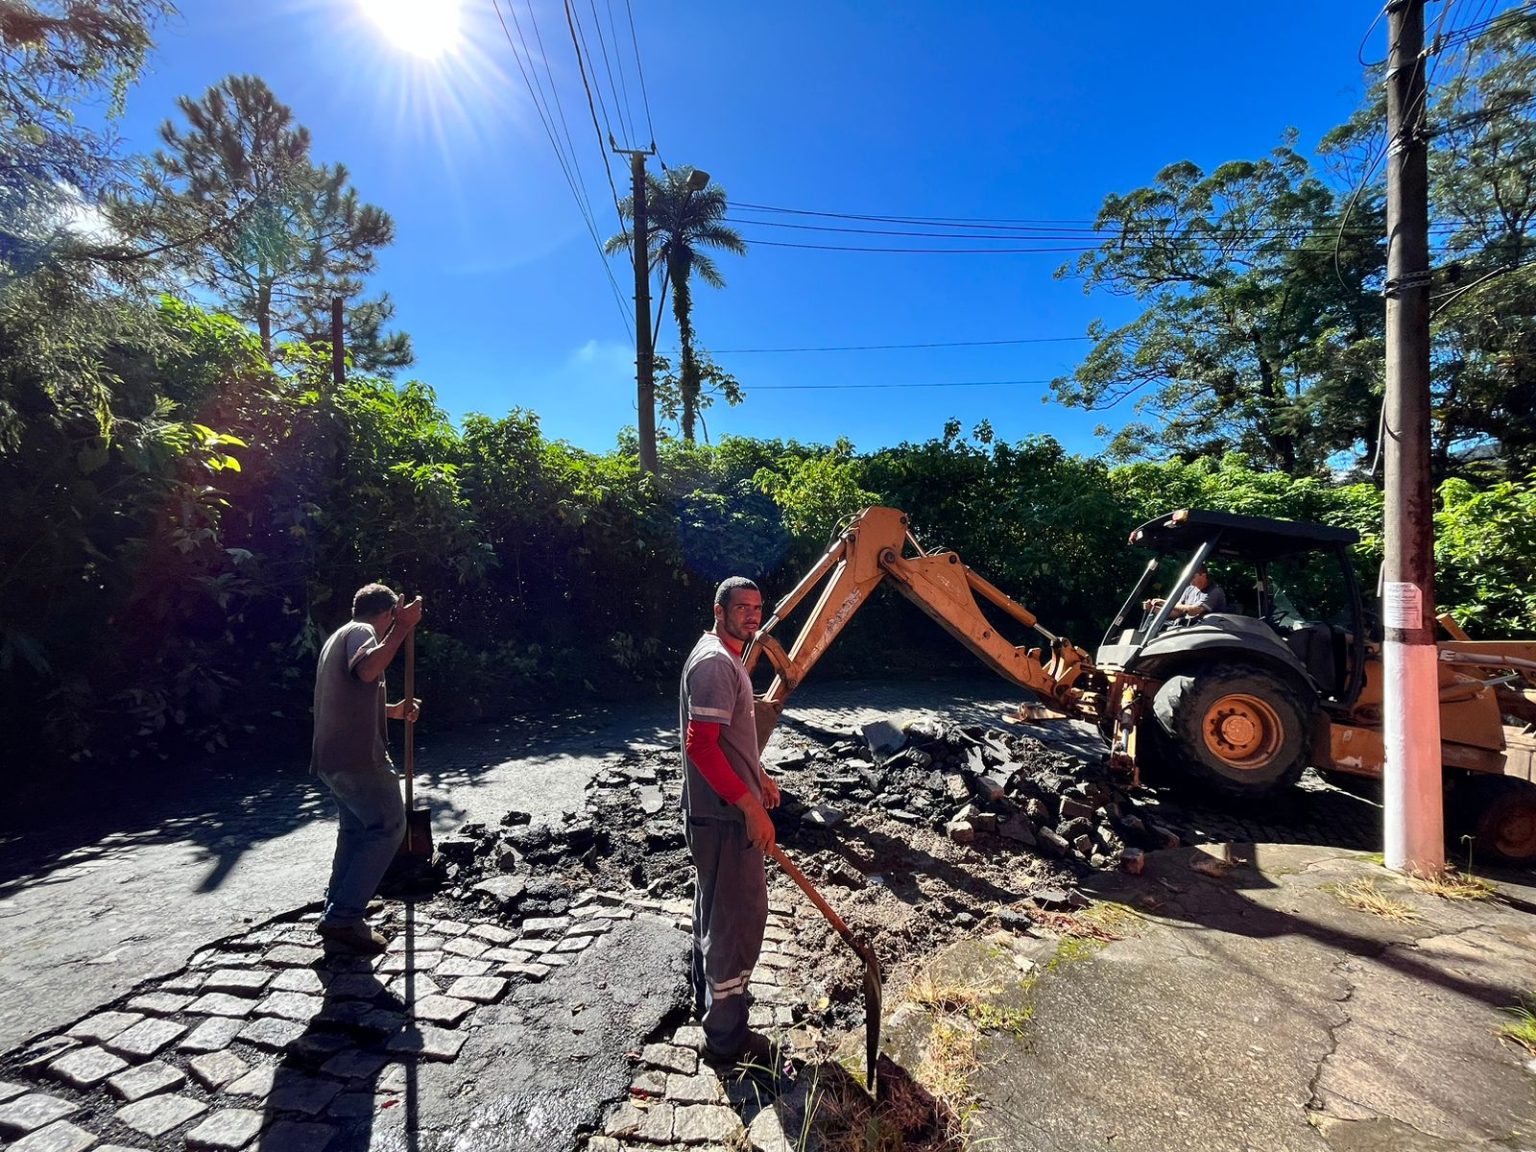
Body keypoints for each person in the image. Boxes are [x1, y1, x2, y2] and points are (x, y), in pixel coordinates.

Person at [679, 576, 781, 1065]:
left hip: (717, 811)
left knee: (714, 909)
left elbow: (726, 738)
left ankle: (712, 998)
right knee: (736, 921)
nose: (752, 615)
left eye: (757, 607)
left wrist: (758, 774)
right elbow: (700, 746)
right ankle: (726, 1038)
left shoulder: (725, 656)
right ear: (718, 610)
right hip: (723, 817)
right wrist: (751, 807)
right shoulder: (717, 663)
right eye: (742, 607)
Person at [309, 583, 423, 955]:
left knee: (355, 832)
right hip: (358, 757)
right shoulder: (361, 632)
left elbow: (353, 692)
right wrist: (403, 627)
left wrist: (394, 710)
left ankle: (338, 906)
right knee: (389, 827)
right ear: (388, 612)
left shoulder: (337, 637)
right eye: (392, 618)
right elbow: (368, 670)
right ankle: (344, 917)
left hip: (333, 757)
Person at [1146, 563, 1228, 621]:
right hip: (1188, 627)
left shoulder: (1215, 591)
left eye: (1193, 577)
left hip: (1207, 630)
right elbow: (1176, 612)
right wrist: (1153, 608)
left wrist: (1165, 602)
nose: (1190, 579)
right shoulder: (1189, 589)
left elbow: (1194, 611)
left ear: (1203, 575)